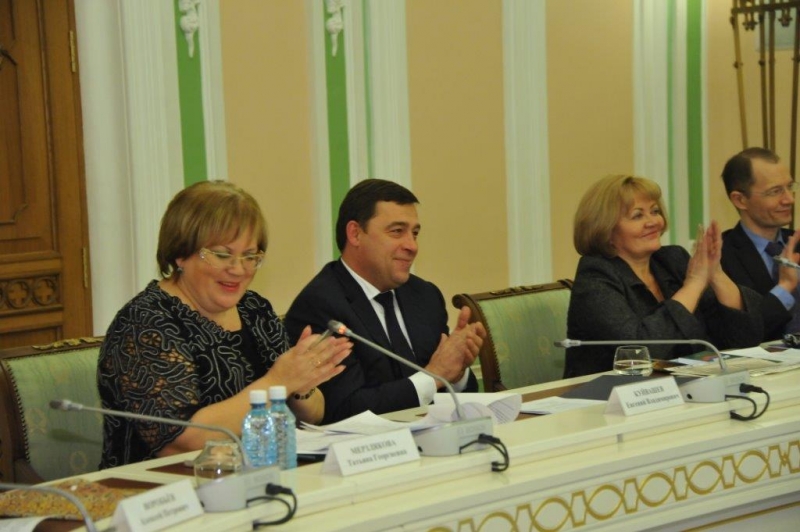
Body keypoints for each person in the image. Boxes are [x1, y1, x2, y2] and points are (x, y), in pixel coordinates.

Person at [97, 181, 352, 468]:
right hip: (166, 485)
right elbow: (180, 441)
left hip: (263, 472)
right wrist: (279, 381)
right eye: (222, 254)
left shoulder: (254, 309)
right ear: (181, 253)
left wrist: (301, 383)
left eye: (250, 256)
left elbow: (314, 415)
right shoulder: (146, 322)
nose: (238, 269)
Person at [284, 179, 486, 423]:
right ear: (355, 234)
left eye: (415, 233)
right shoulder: (320, 306)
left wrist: (458, 371)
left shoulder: (425, 295)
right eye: (397, 231)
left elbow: (456, 396)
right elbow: (344, 409)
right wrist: (434, 377)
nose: (412, 246)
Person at [564, 174, 763, 378]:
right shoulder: (595, 276)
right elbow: (641, 352)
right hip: (610, 392)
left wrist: (715, 273)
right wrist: (694, 284)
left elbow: (746, 337)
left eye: (655, 211)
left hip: (684, 385)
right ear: (606, 229)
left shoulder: (671, 260)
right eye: (637, 216)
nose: (653, 222)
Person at [720, 147, 800, 341]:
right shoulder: (721, 257)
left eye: (790, 187)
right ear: (740, 200)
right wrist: (785, 287)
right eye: (775, 191)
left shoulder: (796, 242)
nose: (789, 199)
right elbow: (741, 333)